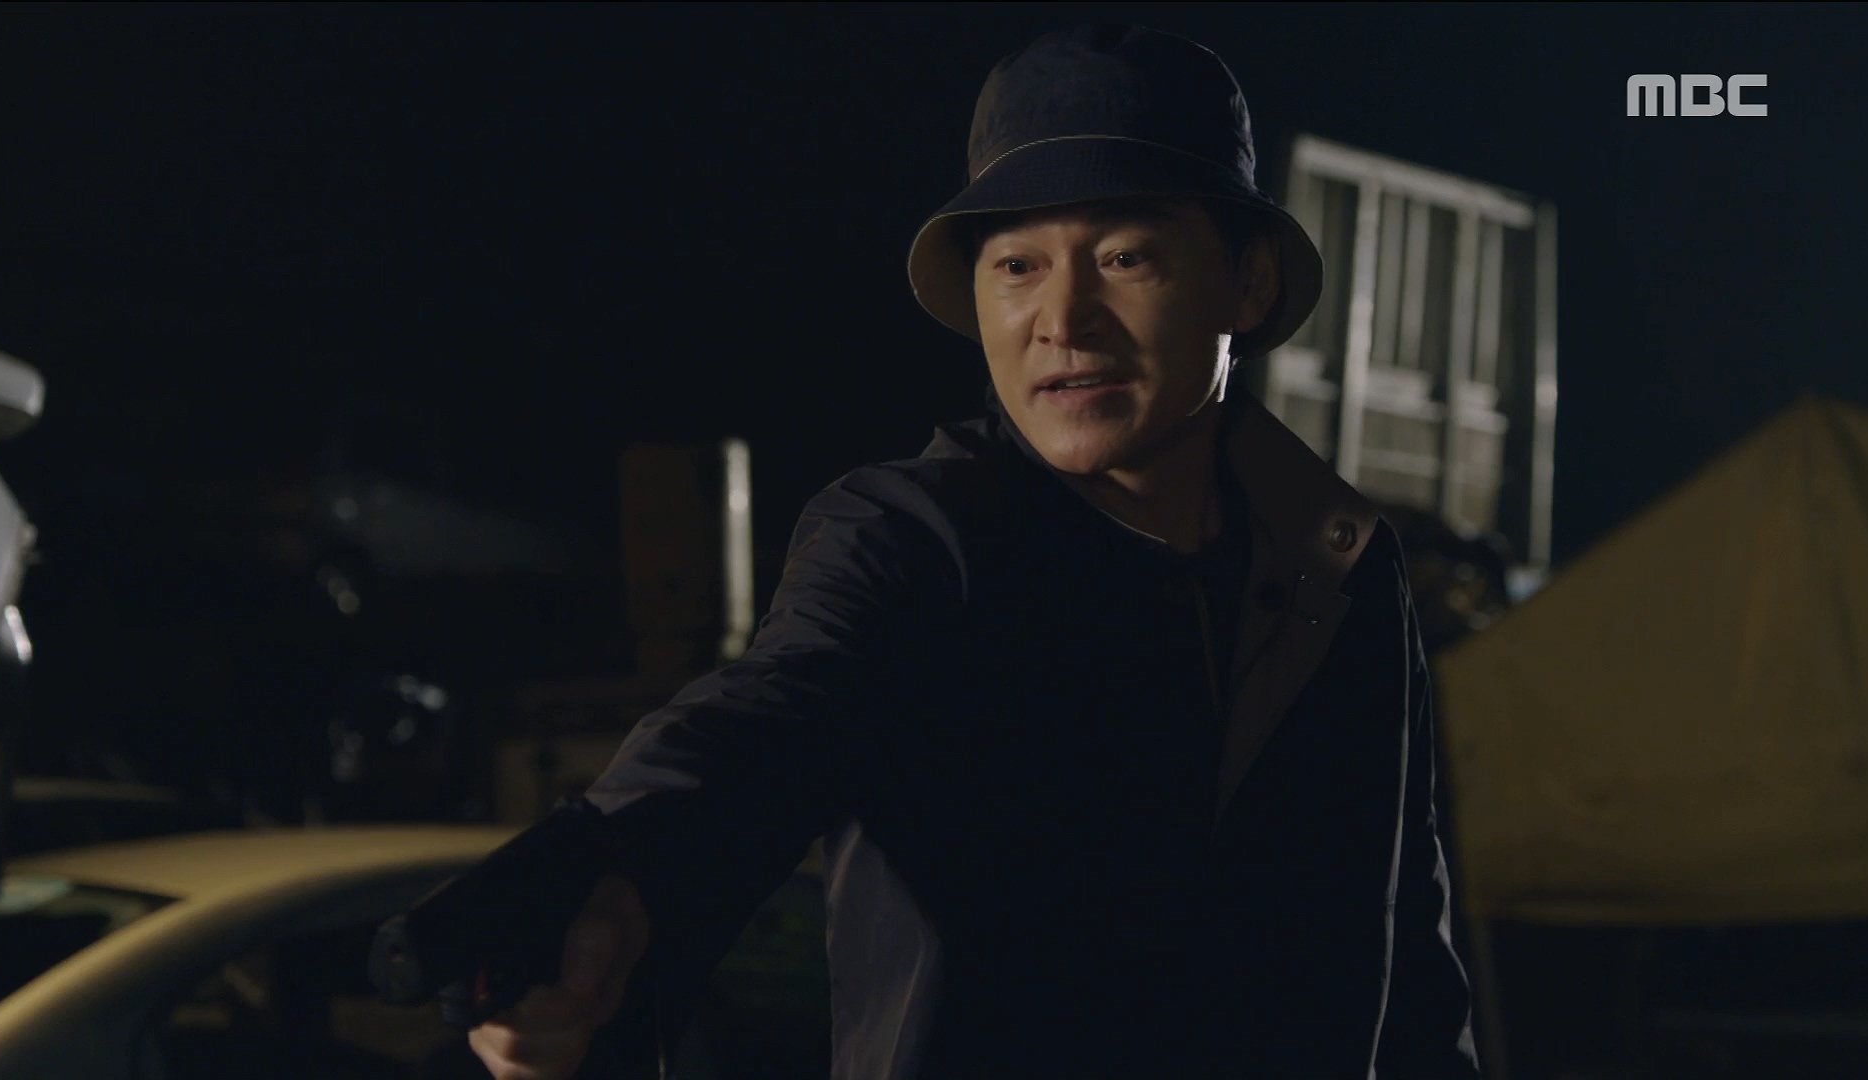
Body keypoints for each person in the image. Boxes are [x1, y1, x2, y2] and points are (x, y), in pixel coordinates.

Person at [471, 23, 1478, 1080]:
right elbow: (766, 722)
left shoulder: (1340, 562)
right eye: (1017, 266)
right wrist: (611, 874)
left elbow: (1410, 950)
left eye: (1126, 256)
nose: (1063, 319)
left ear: (1249, 283)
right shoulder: (920, 543)